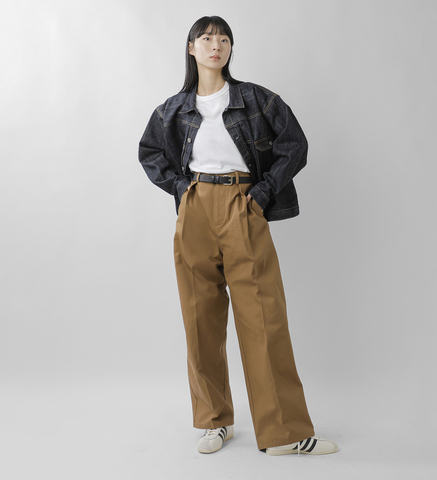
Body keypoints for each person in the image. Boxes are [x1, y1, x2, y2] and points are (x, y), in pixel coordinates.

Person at [138, 15, 338, 456]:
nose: (217, 45)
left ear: (231, 49)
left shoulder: (255, 99)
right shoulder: (173, 109)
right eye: (207, 38)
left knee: (263, 316)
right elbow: (149, 151)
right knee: (199, 318)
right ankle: (215, 422)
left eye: (224, 39)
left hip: (242, 204)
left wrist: (262, 194)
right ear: (191, 48)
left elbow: (295, 145)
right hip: (195, 207)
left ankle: (284, 433)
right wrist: (180, 189)